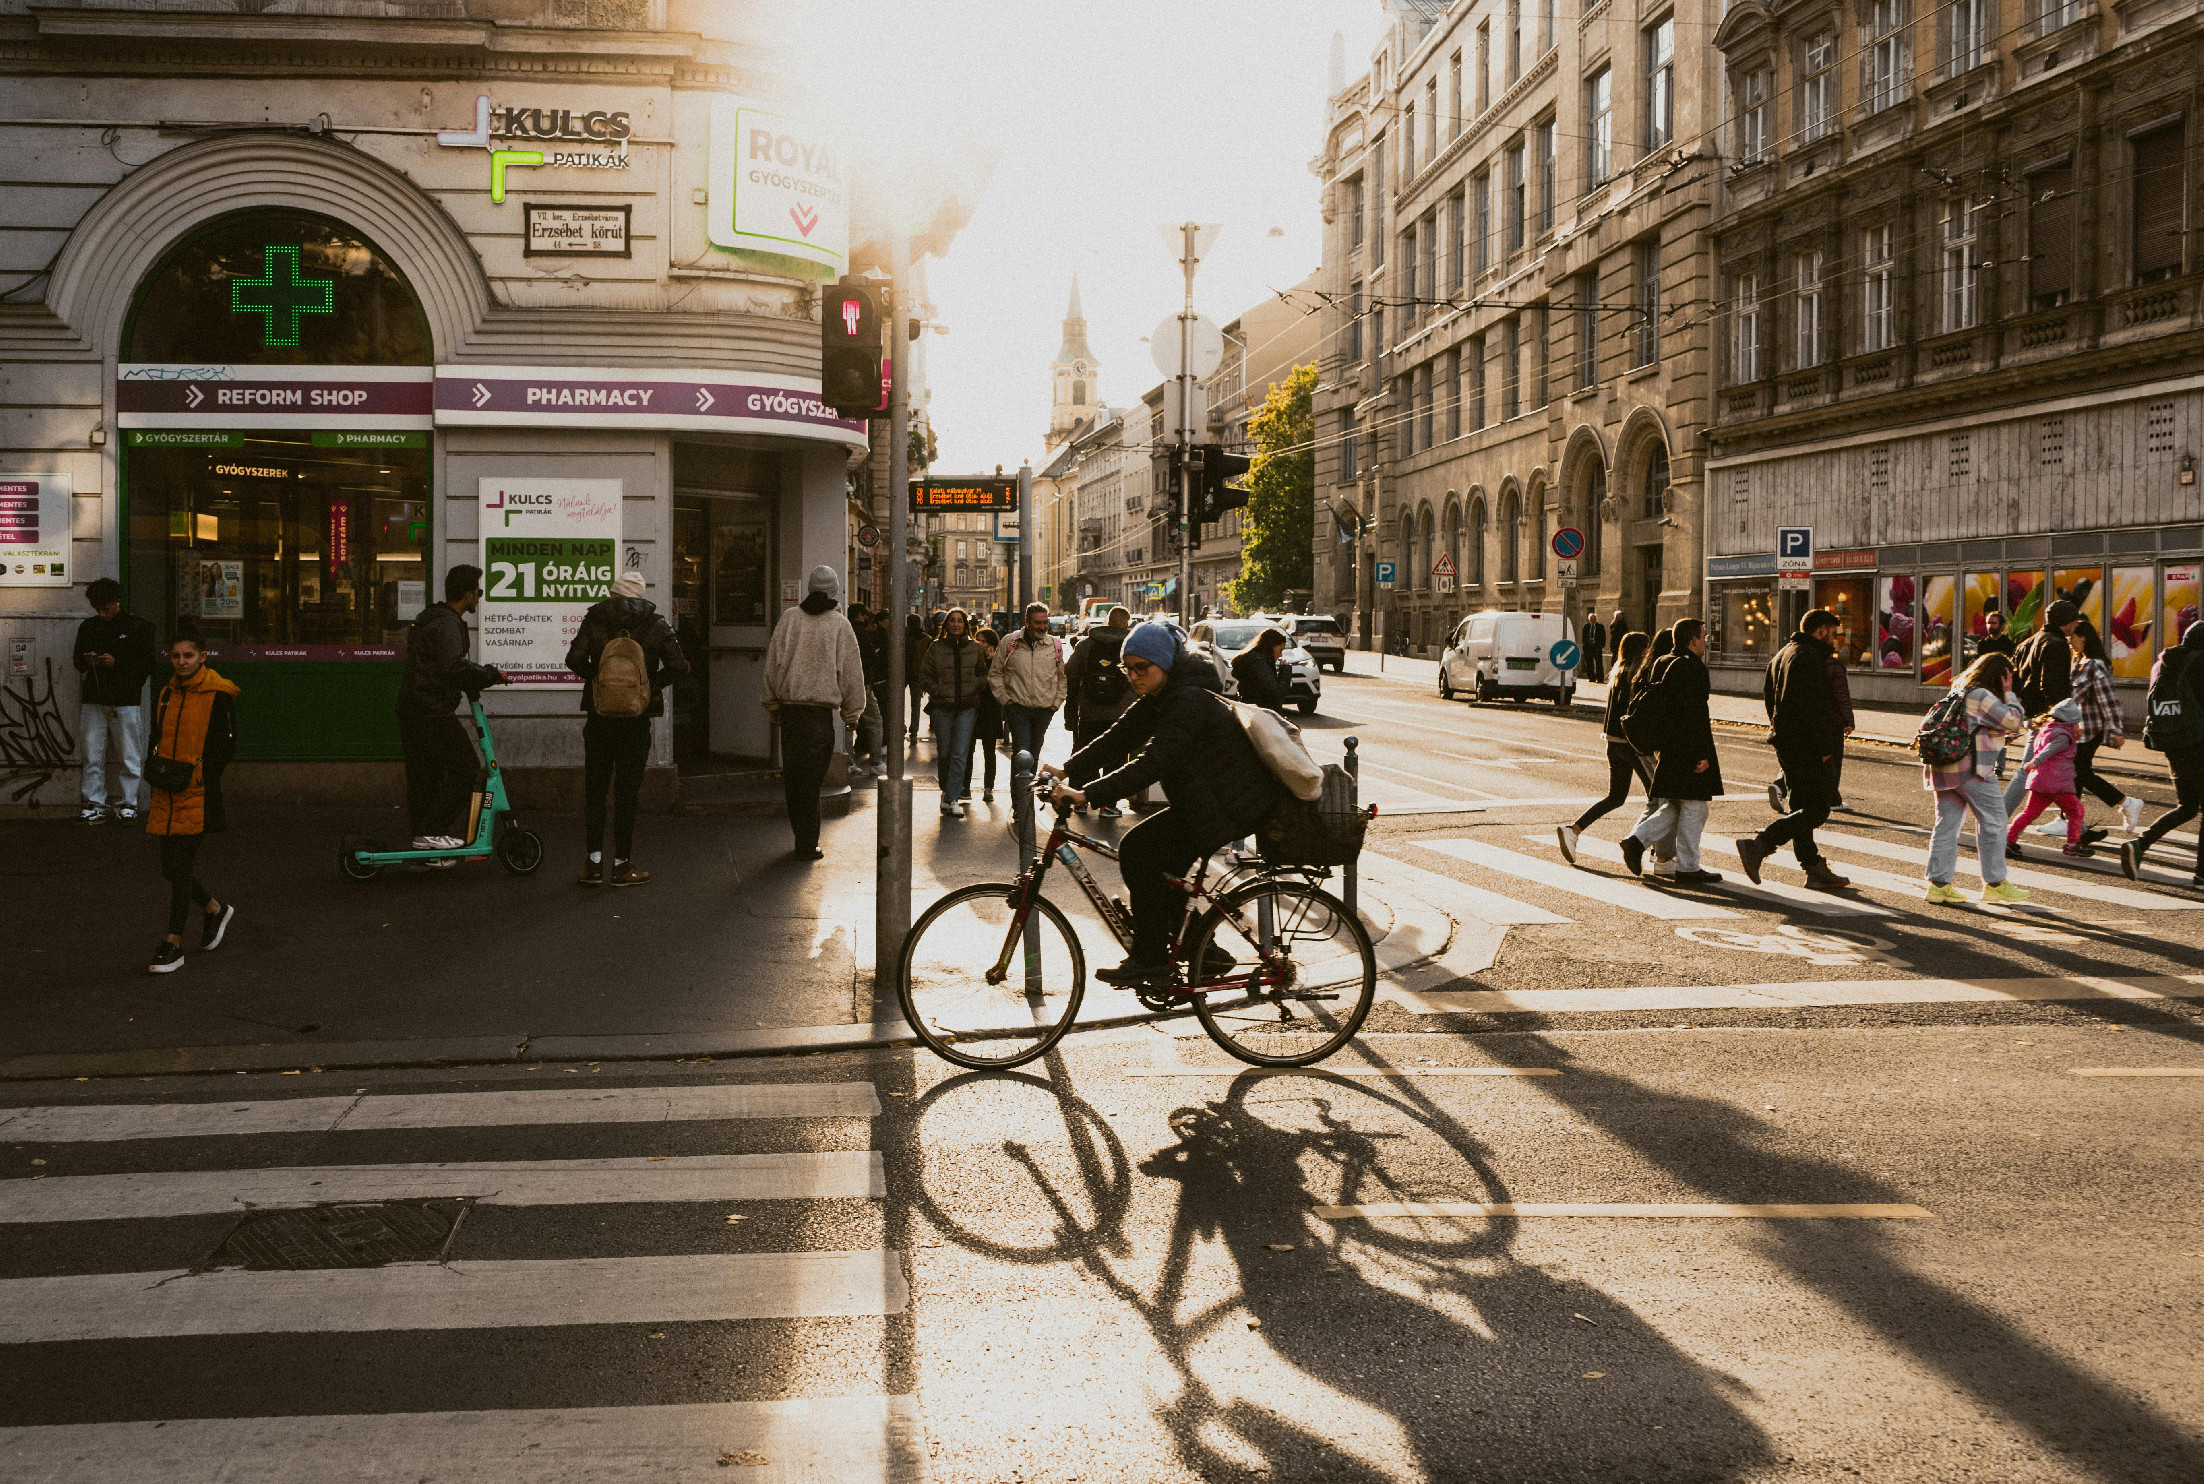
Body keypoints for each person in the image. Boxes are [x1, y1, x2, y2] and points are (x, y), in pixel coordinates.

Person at [1045, 620, 1283, 985]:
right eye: (1129, 668)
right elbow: (1120, 736)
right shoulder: (1164, 693)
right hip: (1207, 802)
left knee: (1139, 853)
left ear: (1166, 664)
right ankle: (1202, 948)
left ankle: (1151, 958)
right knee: (1155, 867)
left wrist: (1087, 794)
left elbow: (1153, 763)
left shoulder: (1188, 699)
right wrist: (1067, 769)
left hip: (1227, 807)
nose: (1134, 676)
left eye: (1143, 668)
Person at [564, 571, 690, 886]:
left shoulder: (594, 619)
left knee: (595, 789)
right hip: (636, 718)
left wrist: (599, 680)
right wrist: (647, 686)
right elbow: (678, 665)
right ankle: (622, 867)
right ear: (640, 596)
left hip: (600, 715)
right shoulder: (658, 625)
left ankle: (593, 865)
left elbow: (573, 659)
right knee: (627, 793)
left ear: (615, 594)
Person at [393, 565, 505, 864]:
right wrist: (490, 674)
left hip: (413, 707)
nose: (479, 598)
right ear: (468, 594)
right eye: (478, 592)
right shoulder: (449, 624)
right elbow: (451, 665)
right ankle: (431, 831)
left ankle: (424, 843)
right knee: (466, 767)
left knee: (424, 776)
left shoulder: (432, 618)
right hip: (430, 709)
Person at [1737, 610, 1852, 891]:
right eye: (1833, 632)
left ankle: (1812, 866)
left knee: (1802, 805)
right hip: (1808, 746)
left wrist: (1780, 733)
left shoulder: (1782, 654)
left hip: (1787, 743)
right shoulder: (1810, 658)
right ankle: (1760, 844)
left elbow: (1769, 699)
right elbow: (1814, 708)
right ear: (1821, 630)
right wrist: (1824, 748)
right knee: (1818, 809)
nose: (1835, 639)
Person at [144, 635, 238, 974]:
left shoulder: (219, 694)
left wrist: (202, 774)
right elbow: (158, 735)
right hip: (168, 788)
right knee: (170, 869)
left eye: (188, 655)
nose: (182, 661)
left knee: (180, 868)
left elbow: (227, 745)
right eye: (175, 656)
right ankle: (214, 908)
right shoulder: (167, 693)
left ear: (203, 656)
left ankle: (172, 943)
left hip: (198, 792)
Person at [761, 565, 867, 860]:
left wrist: (772, 702)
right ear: (834, 591)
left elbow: (773, 663)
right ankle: (808, 843)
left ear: (809, 588)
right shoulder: (839, 625)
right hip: (820, 716)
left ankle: (802, 839)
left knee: (794, 779)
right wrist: (852, 714)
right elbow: (851, 673)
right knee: (811, 781)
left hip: (791, 713)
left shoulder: (790, 619)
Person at [1618, 619, 1723, 886]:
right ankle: (1688, 867)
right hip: (1688, 746)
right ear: (1692, 640)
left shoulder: (1663, 662)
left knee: (1676, 803)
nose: (1706, 640)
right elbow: (1694, 715)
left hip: (1666, 746)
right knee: (1695, 807)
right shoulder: (1692, 668)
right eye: (1703, 636)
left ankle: (1636, 841)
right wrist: (1700, 755)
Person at [1924, 652, 2030, 905]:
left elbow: (1975, 727)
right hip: (1970, 769)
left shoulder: (1959, 689)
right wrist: (2009, 693)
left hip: (1943, 765)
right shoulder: (1981, 695)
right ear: (2002, 675)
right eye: (2009, 676)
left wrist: (1999, 734)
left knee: (1947, 824)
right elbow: (2013, 720)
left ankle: (1938, 885)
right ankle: (1995, 884)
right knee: (1994, 820)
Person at [1558, 630, 1652, 864]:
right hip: (1633, 746)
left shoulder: (1617, 674)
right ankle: (1653, 848)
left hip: (1613, 744)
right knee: (1658, 798)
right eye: (1647, 648)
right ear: (1642, 650)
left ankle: (1574, 830)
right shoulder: (1638, 675)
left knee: (1615, 797)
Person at [2123, 621, 2204, 884]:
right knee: (2191, 807)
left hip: (2174, 743)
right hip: (2199, 744)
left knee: (2188, 807)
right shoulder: (2200, 664)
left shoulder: (2167, 662)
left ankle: (2140, 844)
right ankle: (2201, 873)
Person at [73, 576, 159, 826]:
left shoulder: (137, 627)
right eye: (98, 609)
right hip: (105, 698)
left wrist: (115, 662)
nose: (103, 613)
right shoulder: (92, 627)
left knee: (128, 754)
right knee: (93, 753)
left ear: (116, 601)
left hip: (118, 698)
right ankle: (104, 803)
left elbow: (147, 665)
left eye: (106, 608)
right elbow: (77, 661)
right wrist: (89, 660)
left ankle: (124, 802)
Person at [2067, 619, 2145, 837]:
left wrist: (2116, 731)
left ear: (2083, 637)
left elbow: (2108, 701)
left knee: (2080, 772)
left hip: (2092, 729)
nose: (2069, 641)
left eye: (2072, 636)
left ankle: (2127, 802)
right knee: (2076, 773)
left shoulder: (2095, 665)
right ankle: (2070, 820)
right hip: (2080, 729)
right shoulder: (2078, 662)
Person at [2006, 599, 2082, 818]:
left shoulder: (2027, 643)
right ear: (2064, 621)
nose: (2077, 623)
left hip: (2031, 713)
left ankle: (2077, 826)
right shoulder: (2057, 645)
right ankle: (1998, 822)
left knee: (2055, 771)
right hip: (2048, 717)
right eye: (2073, 619)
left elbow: (2017, 680)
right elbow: (2053, 685)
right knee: (2027, 771)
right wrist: (2068, 718)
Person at [1065, 606, 1137, 817]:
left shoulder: (1087, 643)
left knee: (1086, 753)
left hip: (1089, 711)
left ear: (1107, 621)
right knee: (1115, 759)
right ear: (1126, 623)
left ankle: (1079, 800)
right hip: (1121, 713)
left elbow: (1071, 672)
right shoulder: (1131, 644)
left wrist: (1076, 702)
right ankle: (1107, 804)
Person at [917, 606, 988, 818]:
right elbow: (924, 674)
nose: (956, 624)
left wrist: (974, 686)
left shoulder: (975, 648)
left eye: (960, 621)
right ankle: (947, 791)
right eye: (953, 620)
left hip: (967, 707)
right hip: (942, 707)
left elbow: (983, 674)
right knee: (945, 753)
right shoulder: (936, 647)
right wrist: (937, 690)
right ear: (946, 624)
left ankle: (952, 797)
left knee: (959, 753)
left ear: (966, 625)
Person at [2006, 698, 2090, 859]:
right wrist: (2034, 762)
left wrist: (2034, 765)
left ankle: (2009, 839)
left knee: (2029, 813)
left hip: (2039, 781)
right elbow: (2049, 750)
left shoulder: (2046, 730)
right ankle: (2073, 844)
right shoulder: (2064, 736)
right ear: (2070, 722)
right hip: (2058, 784)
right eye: (2077, 724)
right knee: (2076, 811)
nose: (2079, 727)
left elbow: (2043, 748)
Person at [992, 601, 1067, 765]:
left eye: (1045, 622)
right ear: (1027, 622)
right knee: (1022, 752)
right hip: (1018, 708)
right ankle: (1020, 791)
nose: (1042, 627)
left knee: (1034, 752)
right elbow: (995, 674)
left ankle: (1027, 790)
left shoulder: (1054, 645)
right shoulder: (1009, 642)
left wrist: (1056, 703)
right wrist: (1006, 701)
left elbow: (1061, 678)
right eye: (1037, 622)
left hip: (1044, 709)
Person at [969, 628, 1005, 802]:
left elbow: (997, 684)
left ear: (991, 644)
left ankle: (988, 787)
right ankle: (965, 786)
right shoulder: (971, 657)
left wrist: (992, 663)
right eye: (978, 640)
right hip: (973, 707)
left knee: (989, 751)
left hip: (990, 709)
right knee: (967, 749)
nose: (980, 644)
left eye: (983, 641)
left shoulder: (999, 661)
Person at [1229, 626, 1292, 713]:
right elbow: (1276, 693)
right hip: (1261, 714)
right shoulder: (1258, 664)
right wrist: (1285, 671)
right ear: (1271, 647)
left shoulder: (1256, 661)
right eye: (1280, 650)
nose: (1281, 655)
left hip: (1256, 712)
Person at [904, 613, 931, 744]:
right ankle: (913, 731)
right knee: (916, 704)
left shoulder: (903, 637)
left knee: (898, 702)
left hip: (903, 674)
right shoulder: (926, 639)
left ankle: (901, 726)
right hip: (917, 675)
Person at [1580, 612, 1608, 685]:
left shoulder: (1600, 626)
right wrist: (1584, 646)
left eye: (1594, 619)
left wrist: (1601, 646)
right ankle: (1591, 677)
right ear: (1589, 620)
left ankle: (1600, 678)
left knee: (1599, 663)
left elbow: (1603, 637)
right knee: (1589, 663)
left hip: (1597, 647)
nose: (1593, 620)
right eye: (1591, 619)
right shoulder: (1586, 626)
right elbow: (1584, 637)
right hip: (1588, 647)